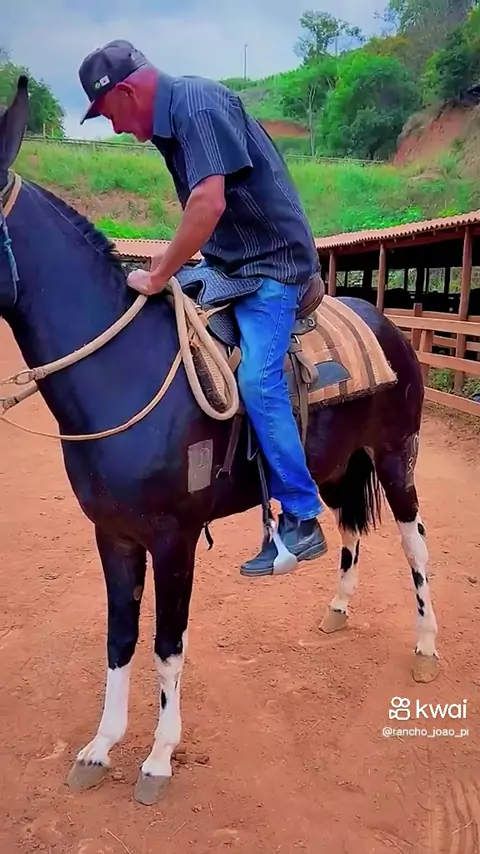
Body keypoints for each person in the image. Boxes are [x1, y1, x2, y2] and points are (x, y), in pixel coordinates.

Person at [78, 39, 328, 577]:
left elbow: (208, 202)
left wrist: (160, 272)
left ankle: (303, 516)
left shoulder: (197, 104)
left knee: (258, 380)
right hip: (227, 264)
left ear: (128, 92)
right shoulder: (170, 127)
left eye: (108, 112)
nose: (113, 126)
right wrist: (171, 266)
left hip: (272, 263)